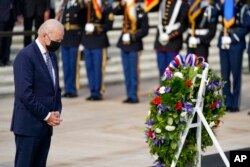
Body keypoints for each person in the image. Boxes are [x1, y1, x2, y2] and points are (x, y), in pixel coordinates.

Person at [11, 19, 64, 167]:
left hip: (45, 128)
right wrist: (46, 115)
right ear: (44, 35)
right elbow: (25, 94)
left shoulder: (52, 56)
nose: (59, 43)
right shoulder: (26, 56)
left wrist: (56, 111)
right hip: (28, 127)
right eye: (57, 40)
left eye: (61, 40)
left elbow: (56, 88)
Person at [113, 0, 149, 103]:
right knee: (127, 71)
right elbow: (114, 12)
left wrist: (132, 36)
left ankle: (134, 95)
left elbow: (145, 30)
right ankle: (129, 94)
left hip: (134, 44)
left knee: (133, 72)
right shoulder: (125, 6)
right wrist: (121, 4)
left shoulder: (141, 10)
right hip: (124, 43)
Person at [215, 0, 249, 112]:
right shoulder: (224, 4)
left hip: (236, 43)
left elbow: (246, 26)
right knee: (224, 75)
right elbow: (213, 15)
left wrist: (233, 38)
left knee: (235, 74)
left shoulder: (243, 7)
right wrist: (220, 3)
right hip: (224, 40)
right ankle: (226, 102)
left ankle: (234, 104)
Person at [145, 0, 189, 79]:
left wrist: (170, 36)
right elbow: (149, 8)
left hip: (173, 42)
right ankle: (163, 90)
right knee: (161, 69)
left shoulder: (183, 4)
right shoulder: (161, 2)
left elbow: (184, 25)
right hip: (160, 41)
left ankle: (171, 90)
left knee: (172, 70)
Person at [81, 0, 114, 101]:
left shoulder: (106, 5)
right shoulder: (87, 4)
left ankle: (98, 92)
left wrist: (96, 28)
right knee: (89, 68)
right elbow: (79, 18)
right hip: (87, 41)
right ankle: (92, 91)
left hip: (99, 40)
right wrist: (84, 4)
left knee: (97, 68)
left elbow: (109, 25)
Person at [57, 0, 86, 98]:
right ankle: (67, 89)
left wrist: (82, 41)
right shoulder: (65, 4)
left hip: (75, 38)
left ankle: (73, 89)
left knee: (73, 66)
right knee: (66, 66)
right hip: (65, 38)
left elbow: (83, 24)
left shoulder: (80, 5)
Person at [0, 0, 22, 66]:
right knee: (1, 40)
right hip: (1, 17)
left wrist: (17, 15)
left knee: (8, 40)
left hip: (11, 17)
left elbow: (16, 3)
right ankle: (0, 59)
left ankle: (6, 59)